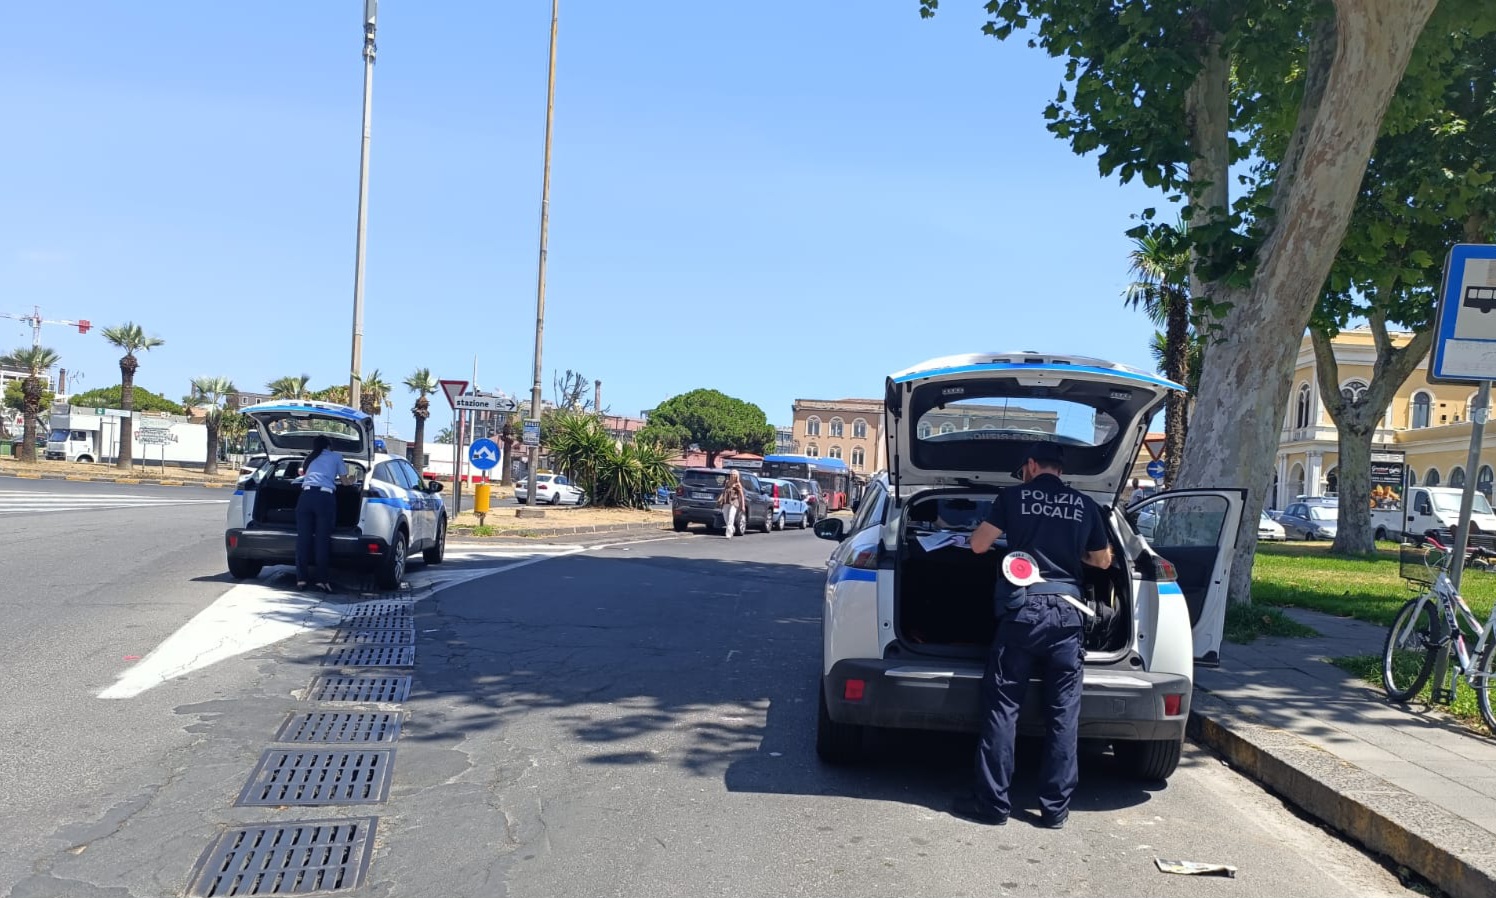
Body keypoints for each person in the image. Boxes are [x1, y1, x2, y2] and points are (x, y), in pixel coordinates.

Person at [953, 441, 1113, 829]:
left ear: (1030, 466)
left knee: (1004, 707)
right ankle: (1055, 811)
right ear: (1061, 470)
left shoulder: (1012, 498)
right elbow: (1103, 560)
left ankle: (993, 806)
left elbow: (977, 546)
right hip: (1069, 615)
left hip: (1024, 612)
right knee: (1063, 714)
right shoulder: (1085, 505)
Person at [296, 434, 344, 592]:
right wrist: (351, 480)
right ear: (329, 446)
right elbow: (344, 481)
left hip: (305, 497)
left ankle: (301, 579)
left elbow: (303, 475)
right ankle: (321, 580)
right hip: (324, 498)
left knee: (303, 539)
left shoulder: (310, 458)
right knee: (322, 540)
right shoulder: (336, 457)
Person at [716, 469, 747, 538]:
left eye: (734, 475)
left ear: (737, 476)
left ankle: (728, 534)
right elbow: (724, 492)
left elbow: (741, 495)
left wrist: (743, 506)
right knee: (726, 518)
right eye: (731, 474)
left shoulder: (738, 484)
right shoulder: (727, 482)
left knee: (731, 517)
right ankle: (732, 528)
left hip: (734, 502)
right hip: (726, 501)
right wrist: (720, 499)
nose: (732, 476)